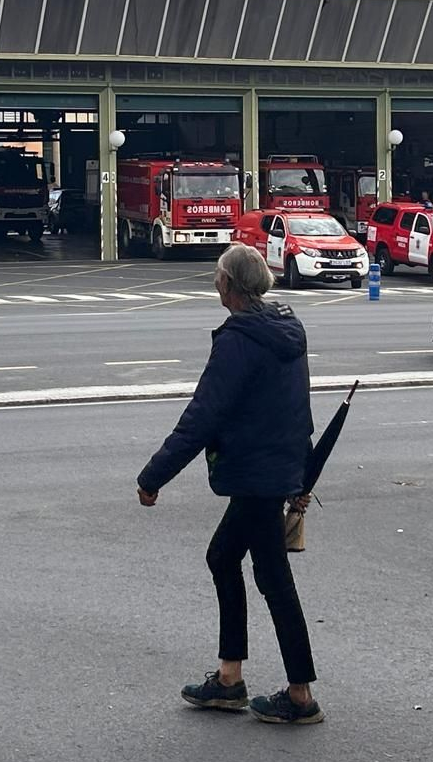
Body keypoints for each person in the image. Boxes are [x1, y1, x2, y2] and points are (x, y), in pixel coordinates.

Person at [136, 243, 323, 725]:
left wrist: (154, 475)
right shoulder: (287, 329)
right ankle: (228, 677)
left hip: (256, 474)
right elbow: (297, 410)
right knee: (224, 557)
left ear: (229, 286)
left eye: (217, 277)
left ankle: (298, 694)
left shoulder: (239, 340)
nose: (214, 283)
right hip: (271, 469)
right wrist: (299, 472)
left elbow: (203, 415)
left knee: (273, 579)